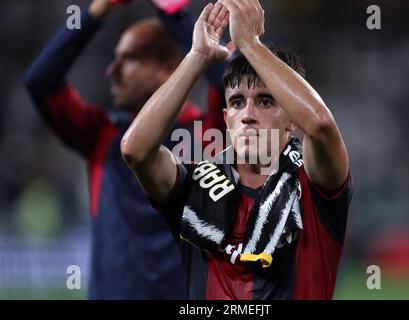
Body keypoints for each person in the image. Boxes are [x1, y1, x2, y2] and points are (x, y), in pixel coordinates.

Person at [122, 0, 353, 300]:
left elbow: (320, 125)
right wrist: (198, 56)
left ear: (292, 120)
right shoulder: (194, 187)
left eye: (266, 101)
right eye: (237, 102)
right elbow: (134, 149)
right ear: (226, 118)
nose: (248, 114)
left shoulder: (313, 186)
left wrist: (249, 44)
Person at [23, 0, 226, 299]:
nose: (112, 70)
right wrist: (92, 15)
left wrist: (172, 14)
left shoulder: (207, 133)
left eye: (128, 59)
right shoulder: (102, 133)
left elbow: (229, 82)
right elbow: (40, 82)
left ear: (167, 70)